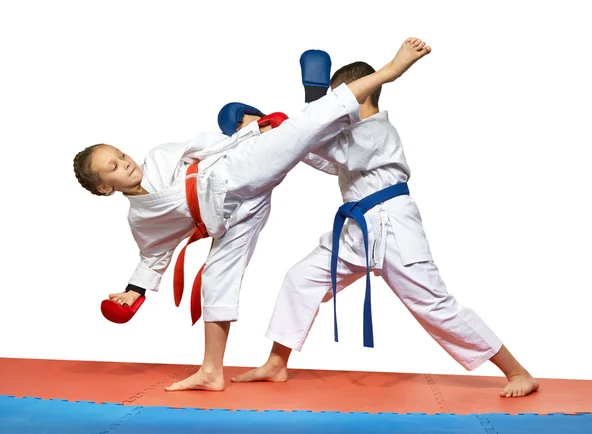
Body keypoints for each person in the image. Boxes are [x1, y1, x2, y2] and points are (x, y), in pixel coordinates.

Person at [72, 36, 432, 392]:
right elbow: (153, 255)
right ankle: (212, 371)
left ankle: (385, 72)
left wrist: (249, 132)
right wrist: (134, 293)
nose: (125, 162)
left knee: (300, 131)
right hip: (229, 219)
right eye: (114, 167)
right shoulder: (142, 219)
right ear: (106, 188)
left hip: (234, 171)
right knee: (216, 282)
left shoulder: (158, 157)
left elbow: (207, 146)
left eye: (119, 154)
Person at [231, 60, 539, 398]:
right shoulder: (352, 136)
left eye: (338, 101)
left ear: (358, 97)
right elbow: (325, 156)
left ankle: (517, 371)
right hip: (357, 230)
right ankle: (277, 363)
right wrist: (283, 134)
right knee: (301, 278)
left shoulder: (378, 130)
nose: (333, 111)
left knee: (435, 305)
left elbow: (331, 148)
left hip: (393, 226)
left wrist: (289, 124)